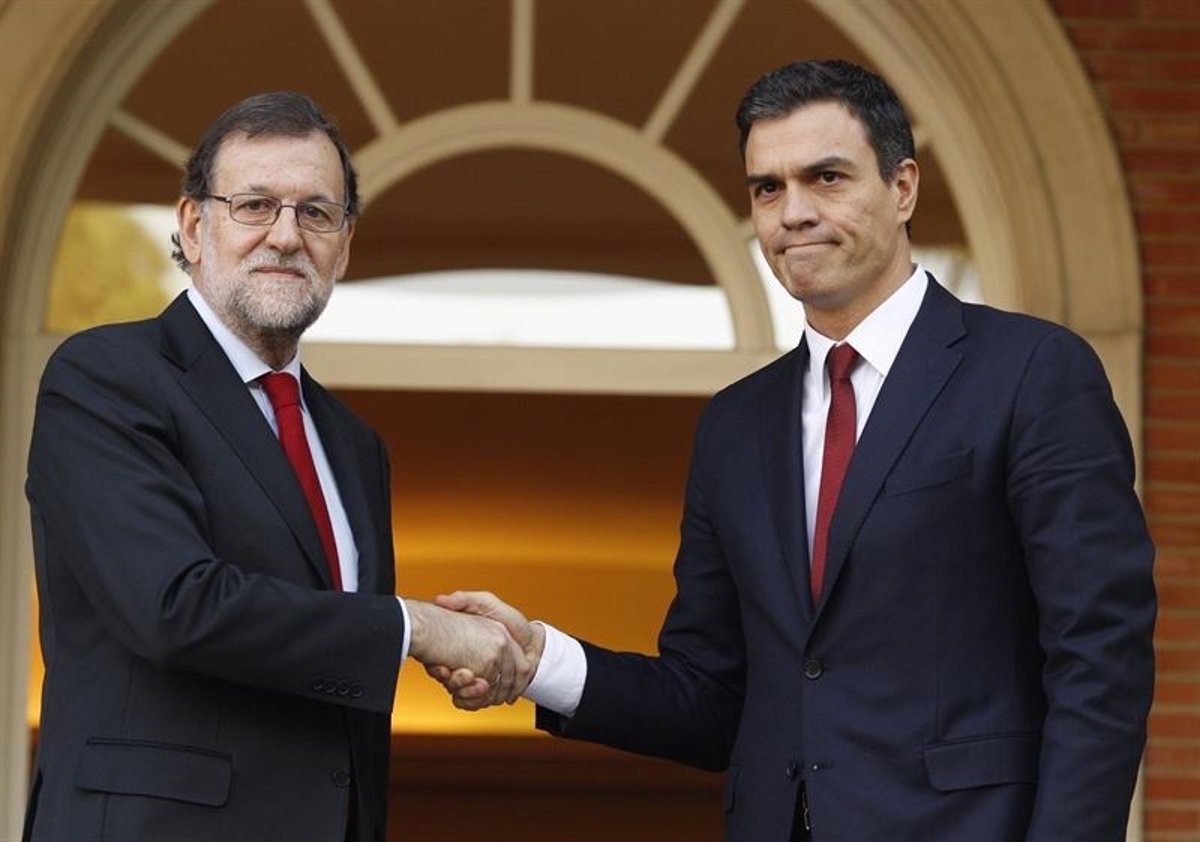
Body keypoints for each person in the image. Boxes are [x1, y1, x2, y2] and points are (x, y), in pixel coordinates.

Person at [432, 60, 1157, 842]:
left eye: (827, 178)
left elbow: (1100, 656)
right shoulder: (735, 426)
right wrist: (537, 659)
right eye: (768, 188)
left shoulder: (1030, 372)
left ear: (903, 187)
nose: (794, 213)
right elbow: (710, 699)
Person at [23, 91, 533, 842]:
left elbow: (333, 675)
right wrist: (414, 628)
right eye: (255, 205)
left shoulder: (354, 445)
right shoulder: (106, 377)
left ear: (344, 245)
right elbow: (175, 607)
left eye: (316, 213)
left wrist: (442, 645)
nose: (287, 236)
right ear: (194, 226)